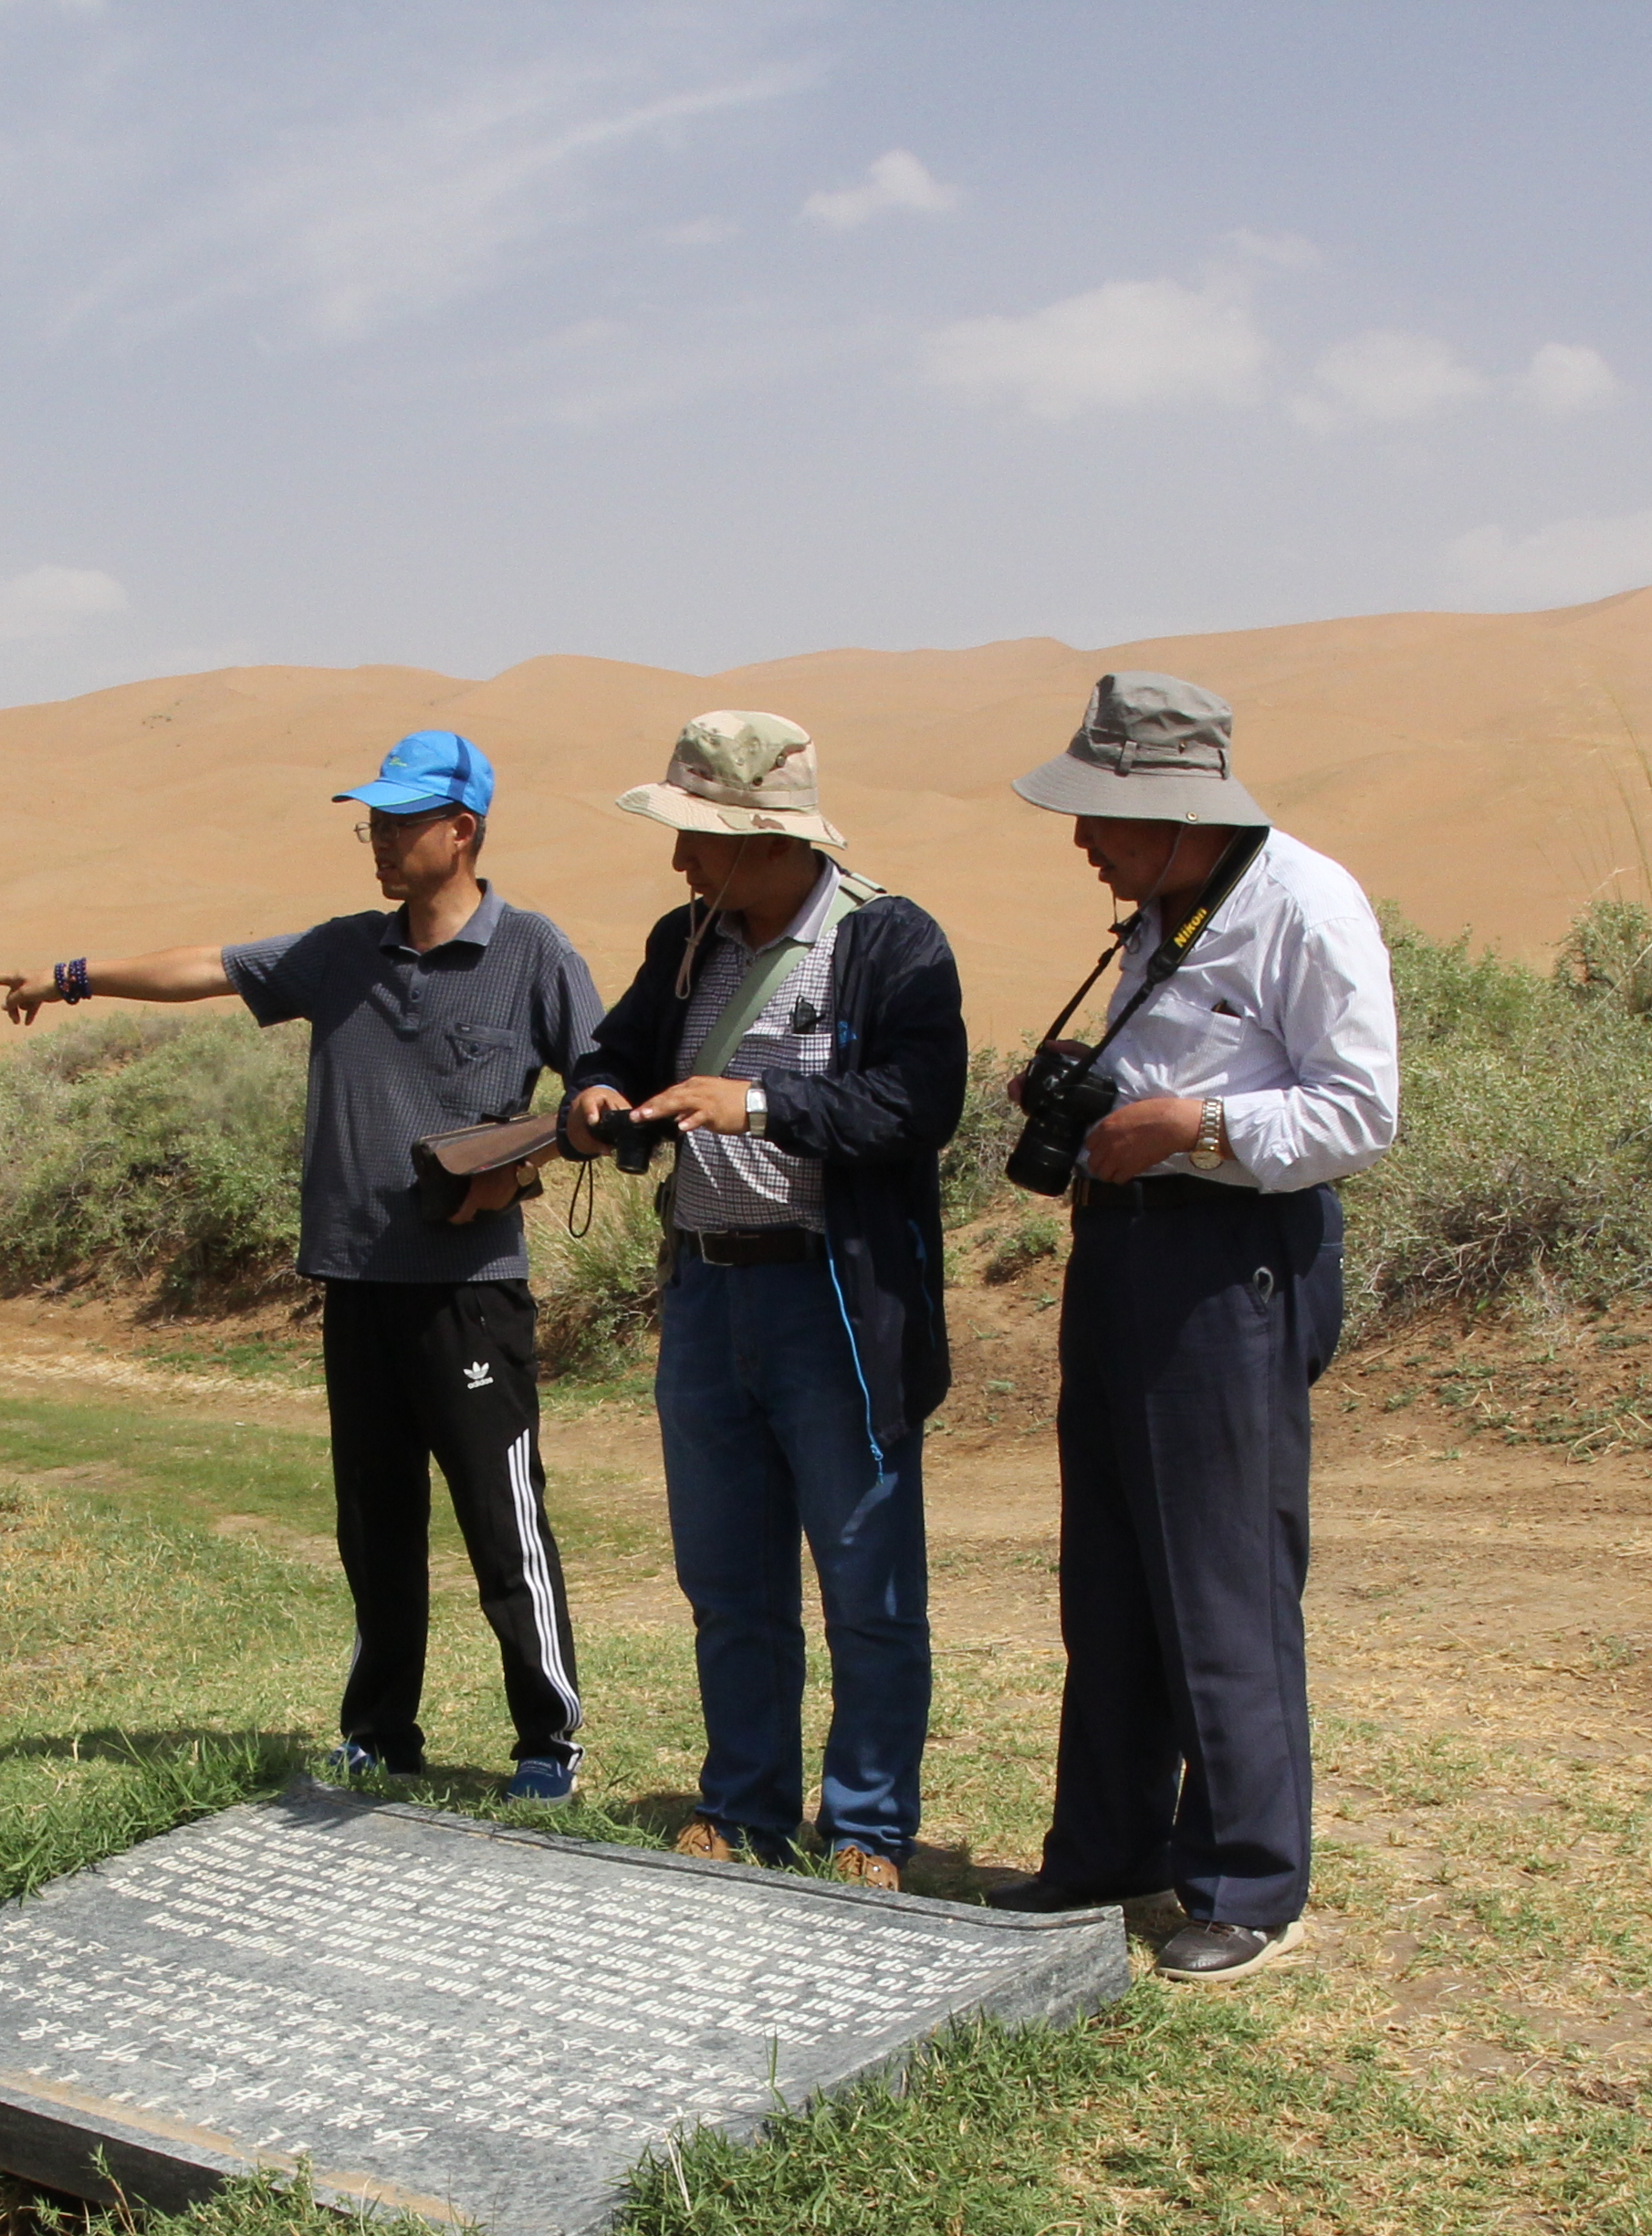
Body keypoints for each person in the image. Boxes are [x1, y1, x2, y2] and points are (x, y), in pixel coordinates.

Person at [0, 730, 599, 1800]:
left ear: (464, 830)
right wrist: (71, 978)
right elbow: (207, 968)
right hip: (356, 1286)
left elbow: (601, 1095)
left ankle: (549, 1744)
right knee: (375, 1527)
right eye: (375, 821)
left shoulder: (534, 953)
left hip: (470, 1295)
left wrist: (521, 1162)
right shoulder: (341, 950)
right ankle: (379, 1733)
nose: (382, 840)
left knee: (505, 1525)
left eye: (403, 821)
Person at [991, 674, 1398, 1979]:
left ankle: (1247, 1884)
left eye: (1100, 812)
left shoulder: (1306, 906)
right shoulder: (1159, 917)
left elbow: (1358, 1113)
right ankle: (1107, 1852)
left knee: (1220, 1576)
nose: (1080, 840)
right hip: (1122, 1259)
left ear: (1177, 810)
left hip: (1234, 1269)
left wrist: (1198, 1128)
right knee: (1110, 1574)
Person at [560, 712, 967, 1888]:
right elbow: (620, 1049)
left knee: (866, 1584)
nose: (681, 860)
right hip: (706, 1298)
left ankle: (868, 1828)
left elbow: (916, 1107)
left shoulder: (892, 943)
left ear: (764, 837)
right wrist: (596, 1097)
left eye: (698, 836)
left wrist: (764, 1106)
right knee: (729, 1581)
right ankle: (742, 1806)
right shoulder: (684, 938)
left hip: (832, 1305)